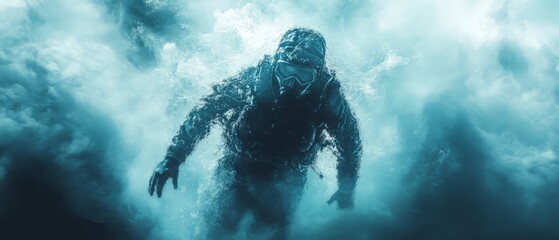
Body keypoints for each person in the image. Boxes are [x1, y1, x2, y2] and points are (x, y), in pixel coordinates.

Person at [148, 28, 362, 239]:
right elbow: (206, 110)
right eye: (286, 71)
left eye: (303, 76)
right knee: (213, 233)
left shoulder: (328, 97)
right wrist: (173, 157)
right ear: (276, 64)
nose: (291, 83)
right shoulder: (254, 79)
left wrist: (346, 187)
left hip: (288, 177)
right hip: (236, 168)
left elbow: (350, 143)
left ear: (317, 76)